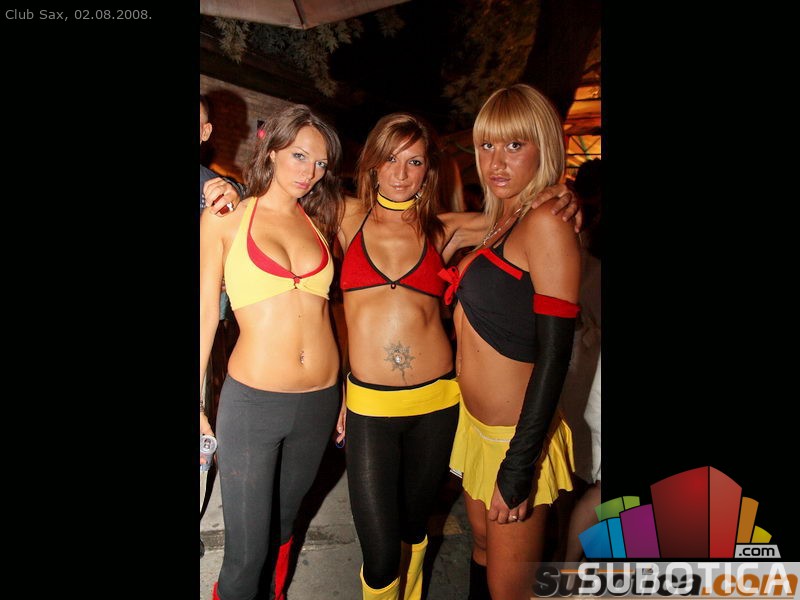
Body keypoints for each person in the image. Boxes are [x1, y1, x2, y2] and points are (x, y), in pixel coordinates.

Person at [206, 112, 580, 600]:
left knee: (413, 529)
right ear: (372, 164)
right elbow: (280, 196)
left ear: (429, 170)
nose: (401, 173)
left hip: (438, 402)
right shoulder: (344, 215)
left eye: (415, 162)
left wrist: (558, 195)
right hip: (369, 404)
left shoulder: (444, 229)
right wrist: (224, 188)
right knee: (380, 553)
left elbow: (519, 218)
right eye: (390, 159)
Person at [441, 84, 581, 600]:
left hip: (514, 438)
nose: (496, 162)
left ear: (544, 147)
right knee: (480, 549)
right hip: (476, 427)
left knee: (510, 590)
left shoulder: (547, 223)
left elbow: (555, 355)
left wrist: (520, 464)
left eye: (515, 145)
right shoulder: (505, 219)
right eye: (487, 145)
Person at [199, 103, 344, 600]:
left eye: (320, 163)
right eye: (300, 155)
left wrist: (344, 390)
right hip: (253, 405)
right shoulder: (226, 218)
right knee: (246, 552)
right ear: (272, 149)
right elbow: (204, 314)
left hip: (320, 401)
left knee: (284, 526)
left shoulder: (320, 222)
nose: (310, 172)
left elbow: (327, 316)